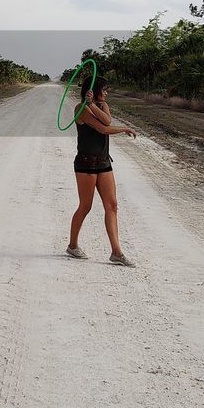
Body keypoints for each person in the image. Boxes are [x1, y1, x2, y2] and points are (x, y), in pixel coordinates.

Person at [67, 76, 137, 266]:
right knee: (86, 206)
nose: (106, 93)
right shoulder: (80, 109)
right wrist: (124, 129)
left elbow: (106, 120)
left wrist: (96, 104)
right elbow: (102, 129)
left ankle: (116, 252)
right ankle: (72, 246)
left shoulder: (103, 106)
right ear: (93, 90)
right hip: (85, 163)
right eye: (104, 89)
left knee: (112, 205)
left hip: (104, 162)